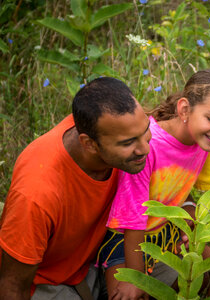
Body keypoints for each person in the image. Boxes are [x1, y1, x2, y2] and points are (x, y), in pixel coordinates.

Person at [98, 69, 210, 299]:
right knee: (129, 295)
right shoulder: (148, 145)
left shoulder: (208, 141)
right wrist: (137, 278)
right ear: (184, 109)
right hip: (127, 239)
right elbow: (133, 216)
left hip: (165, 231)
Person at [0, 77, 151, 300]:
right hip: (46, 282)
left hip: (103, 254)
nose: (145, 148)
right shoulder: (36, 193)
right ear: (89, 144)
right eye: (128, 143)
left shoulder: (116, 131)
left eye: (146, 131)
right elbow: (12, 284)